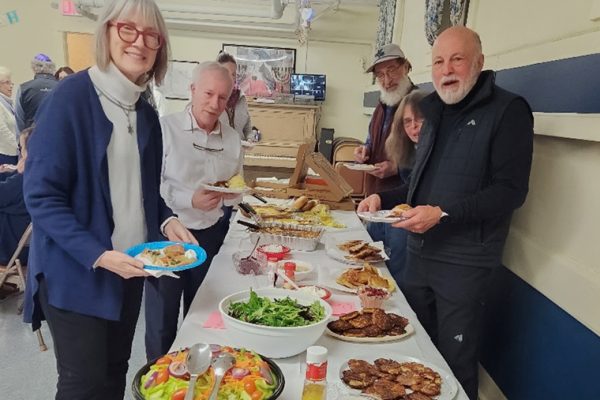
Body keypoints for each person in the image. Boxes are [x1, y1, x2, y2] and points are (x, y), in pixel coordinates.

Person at [22, 1, 196, 398]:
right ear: (106, 32)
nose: (140, 42)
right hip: (76, 272)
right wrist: (99, 254)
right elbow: (42, 197)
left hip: (130, 267)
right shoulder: (70, 99)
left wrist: (167, 220)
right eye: (128, 30)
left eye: (152, 35)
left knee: (115, 373)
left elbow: (145, 191)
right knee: (83, 384)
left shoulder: (145, 112)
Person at [358, 26, 534, 399]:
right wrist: (384, 200)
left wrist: (444, 214)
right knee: (409, 355)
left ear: (479, 62)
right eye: (439, 61)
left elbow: (510, 192)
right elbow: (419, 188)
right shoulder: (432, 111)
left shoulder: (508, 110)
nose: (446, 69)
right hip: (419, 254)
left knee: (453, 364)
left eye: (457, 59)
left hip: (465, 264)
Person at [144, 61, 243, 361]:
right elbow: (150, 187)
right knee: (162, 323)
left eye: (223, 97)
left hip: (211, 237)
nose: (215, 105)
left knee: (202, 317)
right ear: (192, 90)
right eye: (208, 94)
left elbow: (234, 187)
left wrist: (232, 196)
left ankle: (194, 376)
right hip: (167, 239)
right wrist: (190, 199)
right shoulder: (165, 130)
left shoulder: (233, 139)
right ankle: (158, 379)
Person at [368, 90, 426, 283]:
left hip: (420, 223)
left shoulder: (436, 153)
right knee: (374, 224)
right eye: (407, 122)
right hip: (403, 210)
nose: (414, 127)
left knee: (396, 233)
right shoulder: (409, 149)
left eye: (421, 120)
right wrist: (379, 197)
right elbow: (409, 187)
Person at [354, 43, 417, 195]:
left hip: (401, 198)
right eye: (380, 75)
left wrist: (397, 168)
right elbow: (371, 140)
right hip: (375, 193)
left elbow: (429, 156)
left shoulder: (419, 104)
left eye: (392, 70)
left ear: (406, 67)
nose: (387, 81)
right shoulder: (382, 103)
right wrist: (364, 150)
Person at [0, 126, 33, 266]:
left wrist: (17, 173)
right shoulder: (39, 174)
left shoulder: (24, 179)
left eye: (20, 148)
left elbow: (5, 193)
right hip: (28, 249)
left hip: (10, 250)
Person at [14, 53, 58, 133]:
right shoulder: (62, 86)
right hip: (58, 136)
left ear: (34, 68)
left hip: (33, 137)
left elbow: (19, 119)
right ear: (52, 68)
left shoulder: (23, 88)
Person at [217, 51, 252, 140]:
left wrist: (250, 138)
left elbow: (247, 128)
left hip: (238, 152)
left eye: (233, 74)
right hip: (217, 152)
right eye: (226, 73)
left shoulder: (241, 97)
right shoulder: (210, 98)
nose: (231, 78)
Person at [0, 66, 17, 166]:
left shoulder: (7, 103)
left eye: (11, 83)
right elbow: (2, 129)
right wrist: (18, 145)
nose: (11, 86)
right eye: (7, 83)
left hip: (12, 152)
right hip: (4, 153)